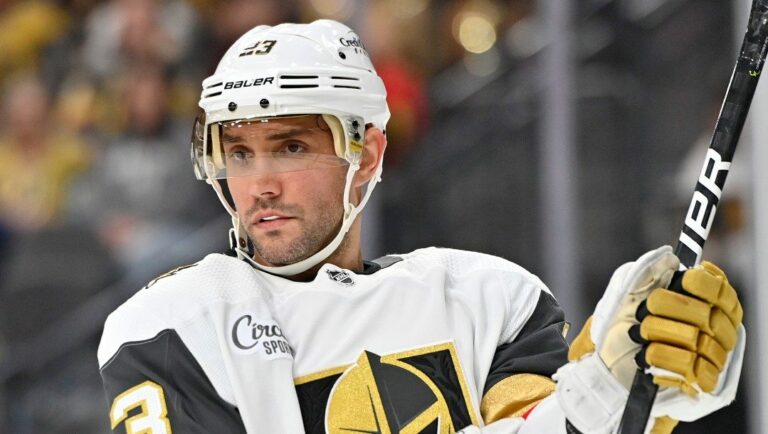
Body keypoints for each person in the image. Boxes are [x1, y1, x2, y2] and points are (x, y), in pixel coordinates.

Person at [97, 20, 745, 434]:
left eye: (290, 147)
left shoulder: (491, 299)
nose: (259, 182)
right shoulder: (168, 330)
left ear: (368, 156)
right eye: (239, 153)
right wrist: (591, 401)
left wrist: (647, 394)